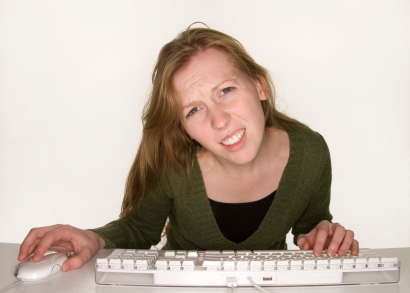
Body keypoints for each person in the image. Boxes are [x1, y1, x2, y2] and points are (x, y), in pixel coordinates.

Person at [18, 25, 359, 272]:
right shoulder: (174, 162)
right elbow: (140, 229)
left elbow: (310, 228)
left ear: (259, 86)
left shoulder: (310, 153)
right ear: (183, 126)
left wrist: (323, 236)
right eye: (194, 110)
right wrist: (93, 237)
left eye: (226, 90)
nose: (220, 121)